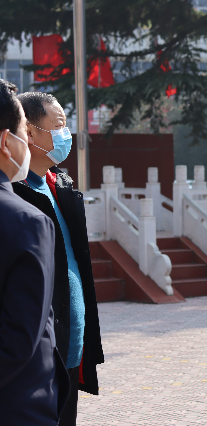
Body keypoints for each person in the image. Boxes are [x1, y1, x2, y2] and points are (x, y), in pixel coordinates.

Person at [13, 91, 104, 426]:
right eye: (59, 125)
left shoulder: (60, 185)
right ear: (30, 132)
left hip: (72, 345)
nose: (66, 135)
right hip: (37, 350)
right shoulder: (16, 193)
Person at [0, 79, 69, 424]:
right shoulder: (26, 221)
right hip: (17, 403)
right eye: (21, 132)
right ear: (7, 141)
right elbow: (18, 339)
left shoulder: (63, 187)